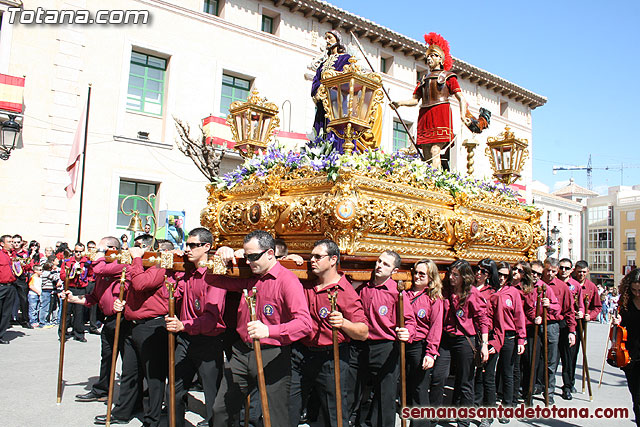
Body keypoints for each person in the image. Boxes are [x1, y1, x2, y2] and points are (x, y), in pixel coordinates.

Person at [212, 230, 312, 427]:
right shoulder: (250, 276)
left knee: (274, 416)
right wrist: (220, 254)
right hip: (241, 353)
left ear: (269, 253)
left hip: (272, 354)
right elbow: (213, 280)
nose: (249, 262)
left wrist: (269, 331)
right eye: (247, 256)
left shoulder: (288, 281)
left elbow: (304, 324)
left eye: (253, 256)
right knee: (221, 409)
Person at [289, 239, 368, 427]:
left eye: (318, 257)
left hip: (331, 358)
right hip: (300, 355)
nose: (312, 261)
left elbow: (363, 332)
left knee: (334, 412)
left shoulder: (345, 291)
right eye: (311, 257)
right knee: (289, 406)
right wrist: (288, 258)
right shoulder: (306, 282)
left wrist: (344, 323)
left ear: (333, 260)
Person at [163, 227, 227, 427]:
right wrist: (170, 269)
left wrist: (184, 324)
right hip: (185, 338)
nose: (187, 249)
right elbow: (170, 295)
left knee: (212, 395)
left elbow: (212, 317)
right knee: (173, 389)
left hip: (207, 341)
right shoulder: (188, 273)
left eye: (193, 245)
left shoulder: (215, 275)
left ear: (207, 246)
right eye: (186, 245)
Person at [347, 250, 415, 427]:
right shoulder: (363, 288)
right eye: (379, 261)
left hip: (385, 347)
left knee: (385, 394)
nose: (379, 265)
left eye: (386, 264)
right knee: (354, 390)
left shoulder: (397, 293)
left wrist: (408, 332)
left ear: (394, 271)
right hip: (360, 345)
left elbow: (409, 320)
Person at [391, 33, 471, 169]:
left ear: (440, 59)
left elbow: (461, 98)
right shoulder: (423, 79)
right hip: (425, 115)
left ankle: (435, 182)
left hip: (440, 114)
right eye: (428, 56)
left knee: (435, 150)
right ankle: (429, 182)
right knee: (427, 153)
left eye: (433, 56)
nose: (429, 59)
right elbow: (415, 100)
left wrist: (463, 115)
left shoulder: (448, 77)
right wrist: (399, 103)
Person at [114, 234, 169, 427]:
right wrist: (122, 304)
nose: (133, 249)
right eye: (134, 246)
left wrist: (137, 258)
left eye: (138, 246)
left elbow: (141, 284)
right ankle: (124, 411)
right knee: (129, 371)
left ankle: (152, 419)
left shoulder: (159, 265)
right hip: (133, 324)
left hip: (152, 325)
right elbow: (131, 290)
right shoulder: (135, 266)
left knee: (153, 375)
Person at [431, 259, 489, 427]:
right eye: (450, 273)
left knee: (465, 381)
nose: (451, 277)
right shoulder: (445, 290)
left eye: (455, 275)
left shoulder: (472, 293)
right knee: (438, 377)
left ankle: (463, 421)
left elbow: (482, 319)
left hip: (464, 339)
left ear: (464, 276)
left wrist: (484, 344)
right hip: (446, 339)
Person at [310, 30, 381, 152]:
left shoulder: (345, 59)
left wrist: (332, 87)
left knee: (339, 131)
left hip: (338, 104)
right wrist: (318, 92)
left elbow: (348, 77)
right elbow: (316, 80)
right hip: (324, 104)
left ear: (337, 41)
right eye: (326, 38)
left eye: (330, 38)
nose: (327, 40)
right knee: (321, 131)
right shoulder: (322, 64)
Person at [405, 259, 443, 427]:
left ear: (430, 277)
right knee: (405, 390)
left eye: (422, 274)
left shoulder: (433, 299)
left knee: (419, 391)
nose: (417, 276)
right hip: (402, 345)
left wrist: (430, 352)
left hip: (419, 347)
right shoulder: (404, 294)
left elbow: (436, 327)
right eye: (416, 272)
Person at [536, 258, 576, 404]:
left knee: (551, 361)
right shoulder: (537, 284)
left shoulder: (562, 287)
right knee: (534, 359)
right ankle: (534, 386)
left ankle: (549, 392)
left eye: (554, 271)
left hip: (553, 324)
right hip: (535, 324)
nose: (550, 273)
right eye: (548, 270)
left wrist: (572, 331)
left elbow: (569, 310)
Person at [612, 269, 640, 426]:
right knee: (635, 396)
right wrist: (617, 322)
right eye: (634, 290)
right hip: (629, 354)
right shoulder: (626, 301)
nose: (637, 293)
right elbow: (621, 324)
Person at [557, 258, 583, 400]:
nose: (564, 270)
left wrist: (581, 313)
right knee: (552, 358)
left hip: (568, 324)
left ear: (571, 270)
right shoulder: (552, 283)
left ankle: (567, 386)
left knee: (568, 358)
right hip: (555, 323)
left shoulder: (575, 286)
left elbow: (579, 305)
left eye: (567, 268)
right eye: (562, 267)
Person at [59, 242, 90, 342]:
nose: (78, 254)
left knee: (79, 313)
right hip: (70, 287)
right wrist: (71, 272)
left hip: (81, 288)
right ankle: (63, 333)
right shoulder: (68, 261)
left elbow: (91, 273)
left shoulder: (86, 262)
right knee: (66, 312)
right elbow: (62, 276)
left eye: (80, 252)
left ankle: (79, 334)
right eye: (76, 251)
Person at [12, 234, 33, 328]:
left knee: (24, 299)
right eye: (14, 242)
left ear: (21, 242)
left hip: (21, 277)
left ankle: (25, 320)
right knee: (8, 299)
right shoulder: (10, 253)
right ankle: (9, 318)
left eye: (18, 242)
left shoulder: (25, 253)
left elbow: (29, 266)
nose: (16, 244)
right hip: (11, 277)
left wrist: (23, 264)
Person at [0, 235, 17, 343]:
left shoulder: (12, 255)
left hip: (10, 286)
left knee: (6, 313)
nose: (12, 243)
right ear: (2, 243)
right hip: (1, 285)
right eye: (9, 242)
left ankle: (1, 334)